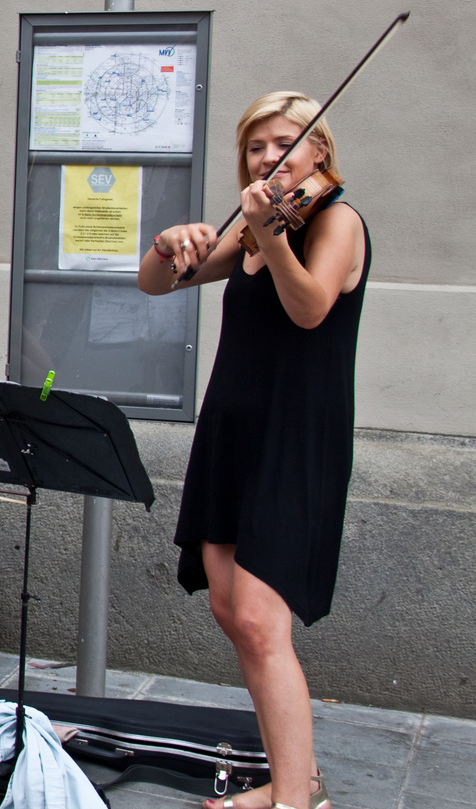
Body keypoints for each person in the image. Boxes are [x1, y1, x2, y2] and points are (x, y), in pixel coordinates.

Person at [138, 92, 366, 809]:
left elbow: (309, 308)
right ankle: (294, 778)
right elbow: (157, 285)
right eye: (256, 147)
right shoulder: (261, 226)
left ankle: (295, 801)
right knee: (234, 614)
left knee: (265, 624)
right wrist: (167, 244)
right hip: (233, 434)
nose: (268, 157)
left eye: (283, 143)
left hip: (295, 438)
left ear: (318, 151)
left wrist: (267, 234)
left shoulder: (335, 222)